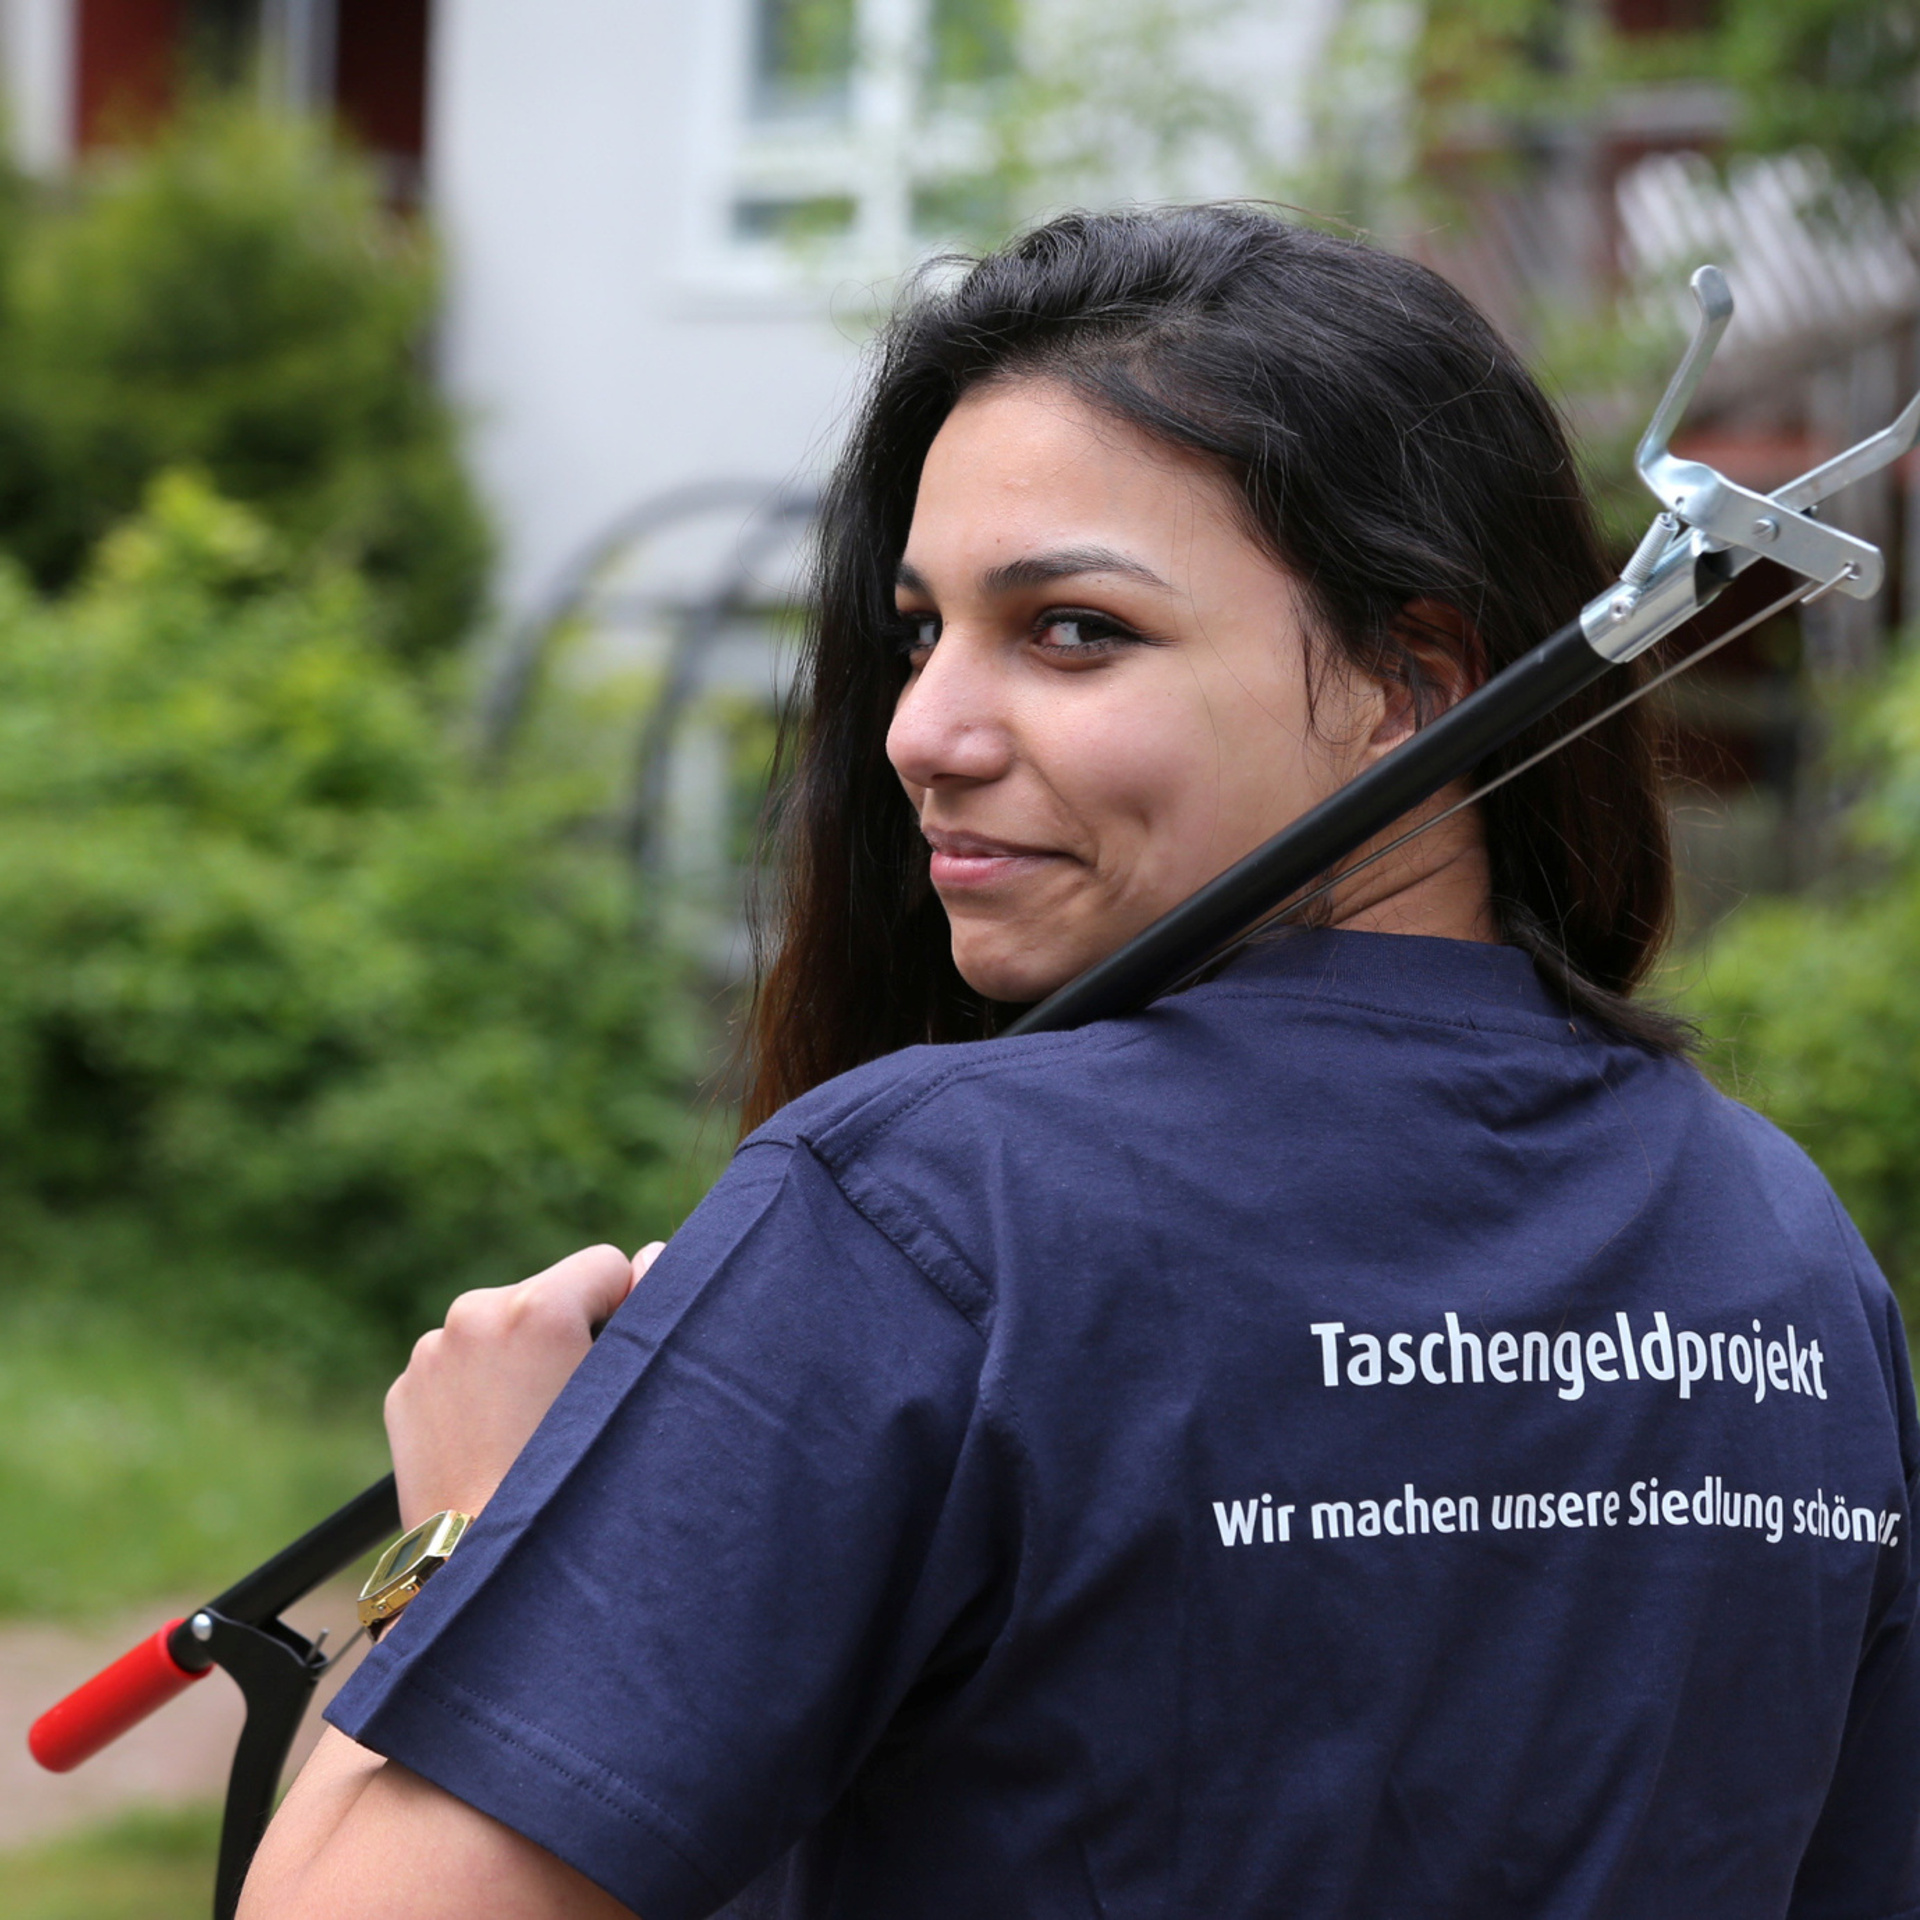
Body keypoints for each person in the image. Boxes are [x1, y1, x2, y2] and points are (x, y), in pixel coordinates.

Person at [240, 206, 1920, 1919]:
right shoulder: (1785, 1246)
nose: (920, 733)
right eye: (921, 632)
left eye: (1071, 631)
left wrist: (461, 1548)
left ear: (1413, 690)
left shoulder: (923, 1212)